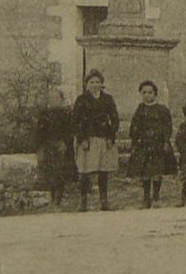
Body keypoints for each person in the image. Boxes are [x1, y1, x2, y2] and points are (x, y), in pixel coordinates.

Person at [72, 69, 120, 210]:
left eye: (97, 82)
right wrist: (82, 138)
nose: (95, 85)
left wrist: (111, 137)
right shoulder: (81, 100)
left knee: (103, 171)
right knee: (84, 171)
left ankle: (103, 200)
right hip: (87, 140)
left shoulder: (108, 99)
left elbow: (115, 119)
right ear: (87, 84)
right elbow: (75, 121)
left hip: (103, 139)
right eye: (92, 82)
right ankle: (83, 200)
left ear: (102, 84)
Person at [128, 80, 175, 209]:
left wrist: (166, 141)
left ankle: (156, 195)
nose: (147, 95)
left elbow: (167, 126)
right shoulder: (140, 109)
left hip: (157, 144)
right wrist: (135, 140)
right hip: (144, 145)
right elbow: (134, 126)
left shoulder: (162, 109)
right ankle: (146, 196)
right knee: (145, 171)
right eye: (144, 93)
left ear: (155, 94)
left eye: (150, 92)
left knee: (157, 171)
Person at [35, 88, 76, 207]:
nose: (54, 100)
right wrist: (39, 148)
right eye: (51, 98)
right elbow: (39, 133)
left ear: (61, 100)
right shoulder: (44, 115)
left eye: (56, 98)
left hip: (61, 147)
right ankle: (52, 196)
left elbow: (71, 132)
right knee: (49, 173)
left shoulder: (66, 114)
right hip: (48, 147)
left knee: (60, 173)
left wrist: (65, 143)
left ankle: (58, 197)